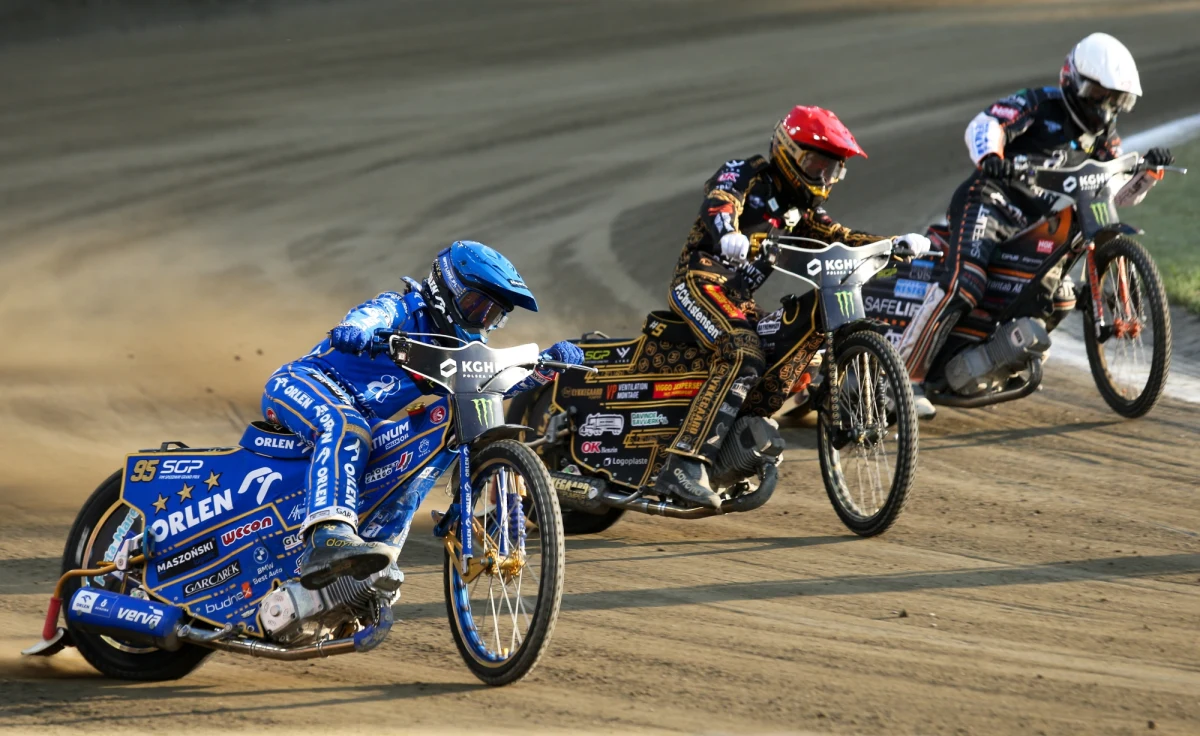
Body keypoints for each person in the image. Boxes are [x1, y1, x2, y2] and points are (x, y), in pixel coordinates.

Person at [654, 105, 931, 509]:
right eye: (816, 165)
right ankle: (683, 464)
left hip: (737, 301)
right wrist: (727, 233)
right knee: (744, 353)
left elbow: (841, 237)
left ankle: (744, 440)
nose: (823, 178)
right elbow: (719, 202)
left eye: (832, 170)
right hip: (699, 281)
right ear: (787, 151)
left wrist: (894, 244)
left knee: (788, 348)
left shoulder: (801, 211)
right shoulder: (744, 171)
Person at [262, 240, 582, 590]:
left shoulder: (462, 349)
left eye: (494, 315)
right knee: (345, 426)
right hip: (306, 382)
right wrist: (356, 331)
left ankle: (369, 575)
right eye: (477, 306)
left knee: (412, 466)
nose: (483, 320)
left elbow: (495, 385)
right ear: (446, 287)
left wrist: (545, 367)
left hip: (365, 418)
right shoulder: (402, 307)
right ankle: (328, 536)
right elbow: (368, 317)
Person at [900, 32, 1174, 419]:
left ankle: (990, 355)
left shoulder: (1103, 137)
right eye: (1100, 94)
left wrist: (1147, 172)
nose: (1106, 107)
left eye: (1116, 100)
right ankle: (904, 377)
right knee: (966, 282)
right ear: (1073, 80)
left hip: (1033, 223)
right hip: (991, 201)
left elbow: (1115, 192)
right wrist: (991, 156)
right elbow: (986, 123)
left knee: (1059, 294)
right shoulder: (1038, 103)